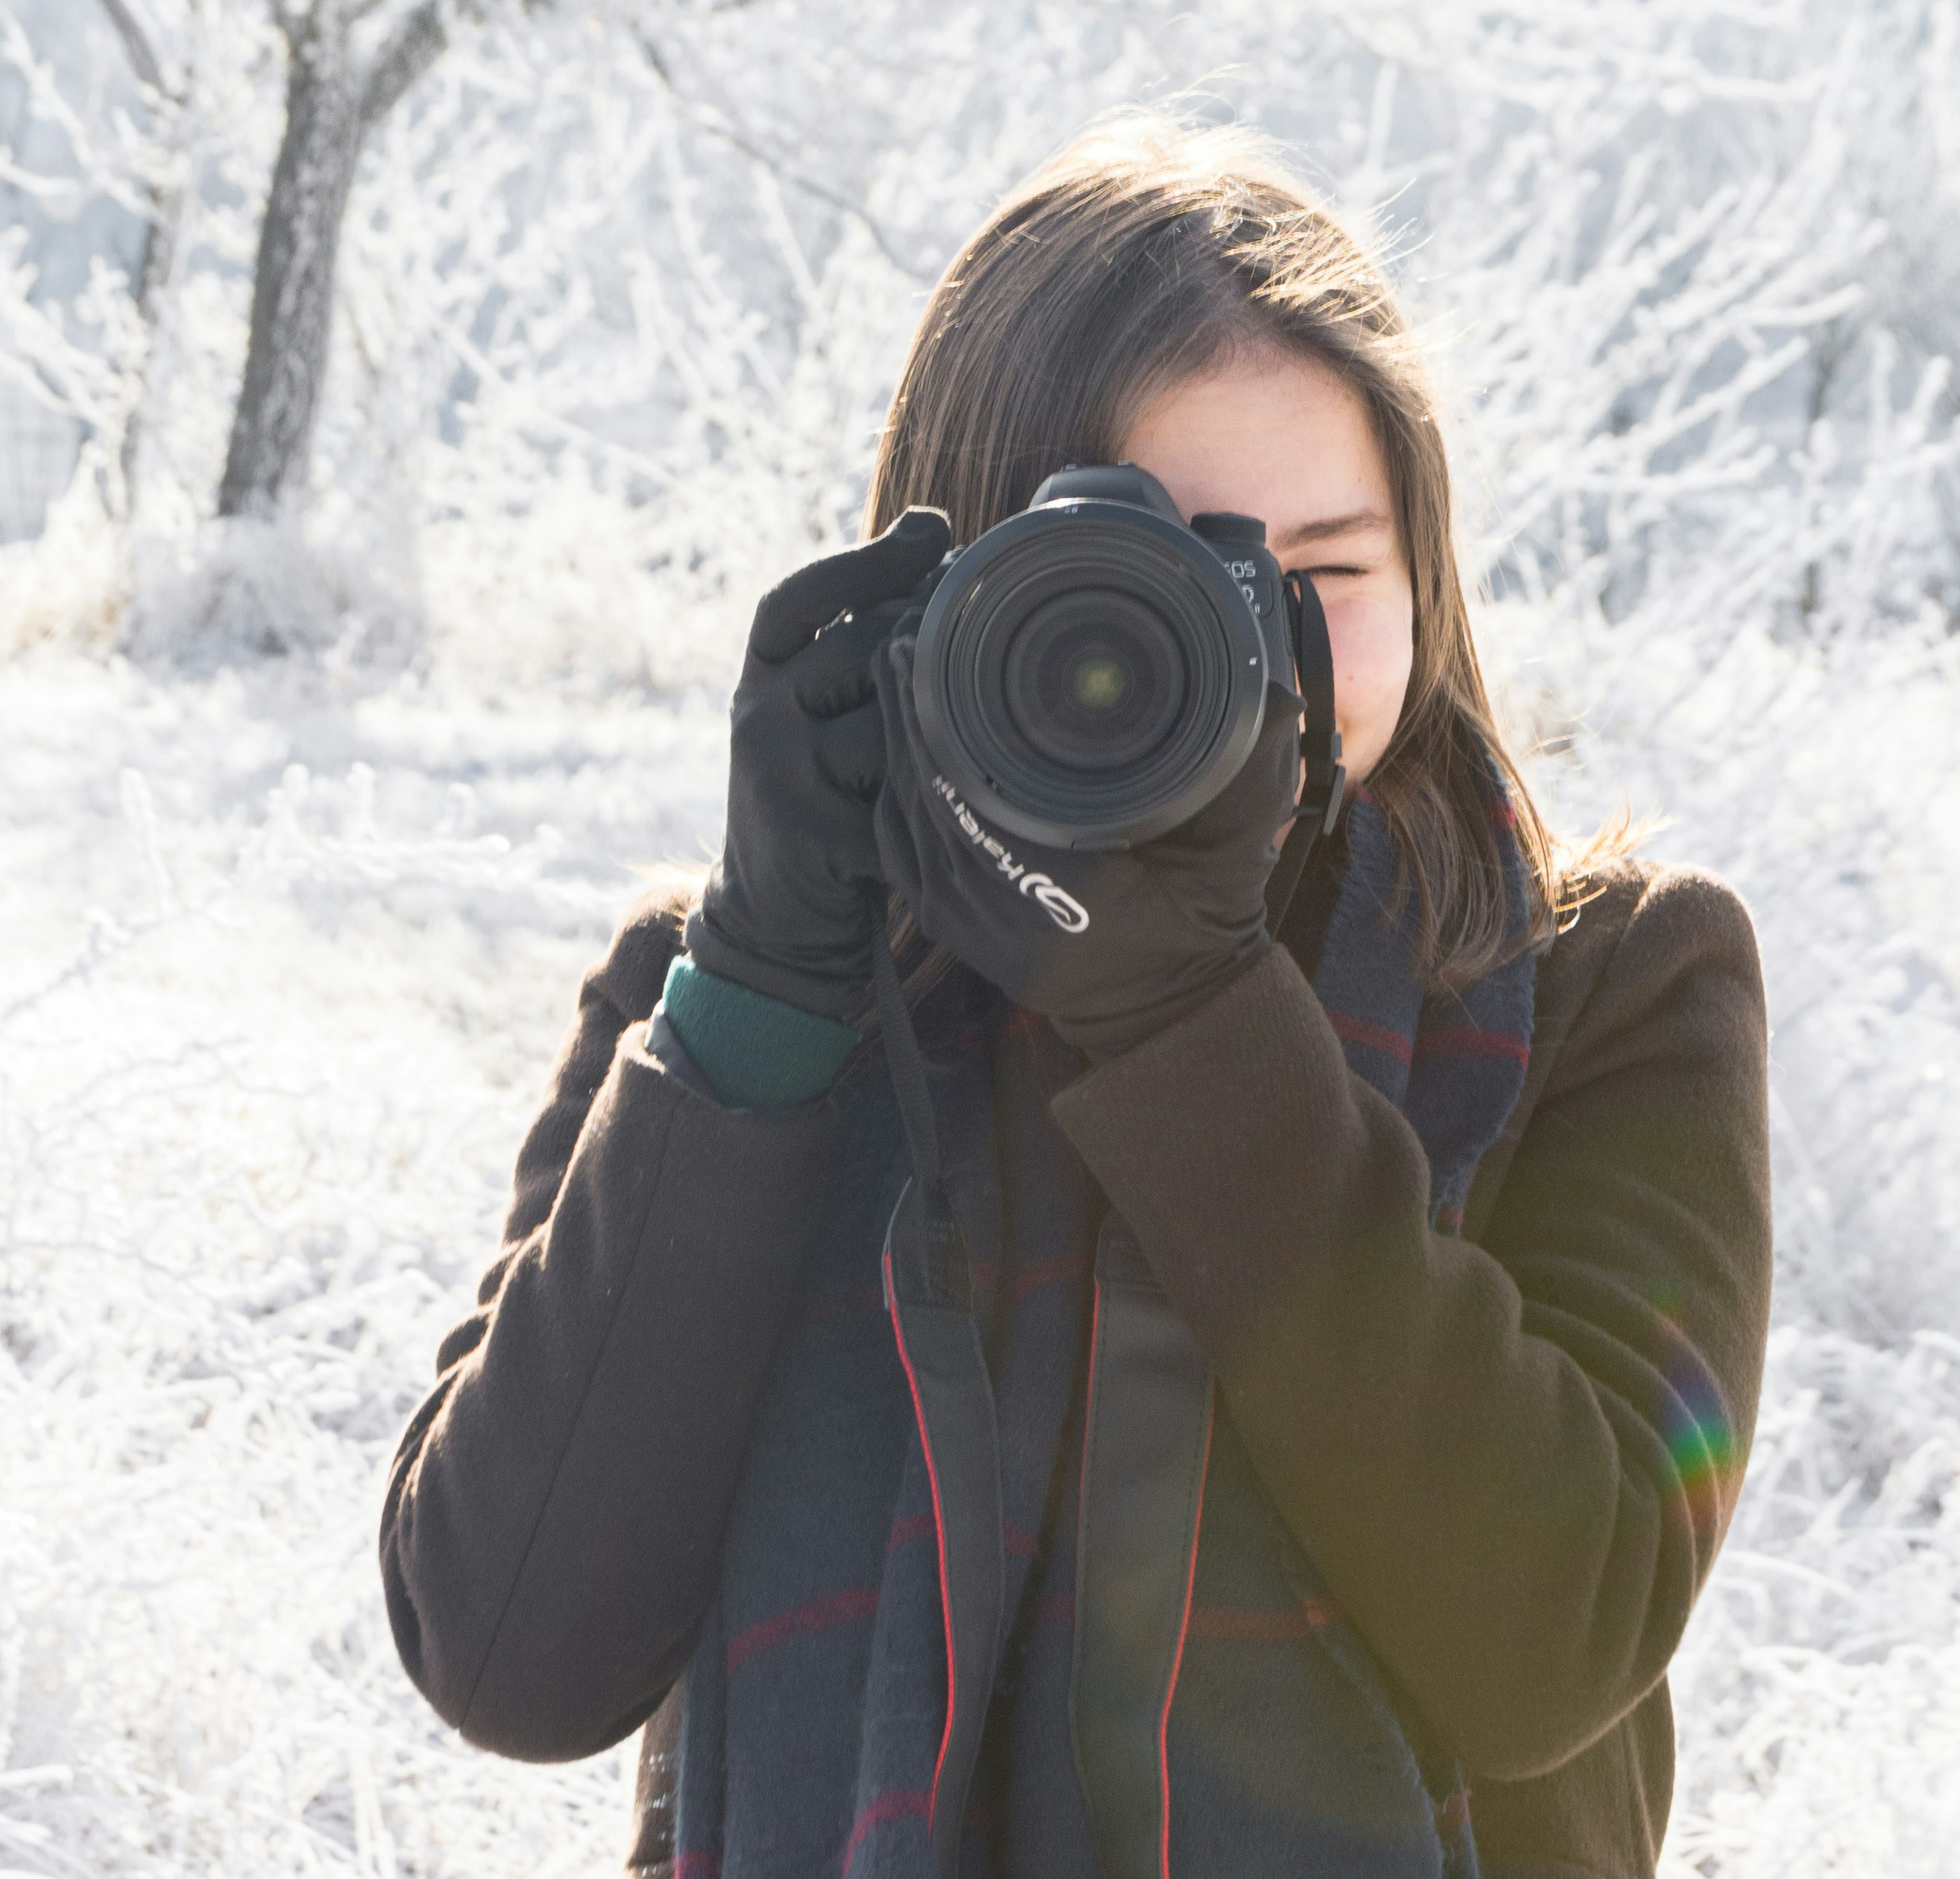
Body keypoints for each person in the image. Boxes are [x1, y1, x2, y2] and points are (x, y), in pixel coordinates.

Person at [381, 124, 1771, 1878]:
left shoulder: (1607, 984)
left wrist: (1189, 1014)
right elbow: (509, 1657)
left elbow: (1552, 1639)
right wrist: (757, 996)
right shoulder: (748, 992)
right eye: (1161, 594)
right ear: (957, 589)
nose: (1258, 656)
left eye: (1325, 575)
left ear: (1426, 582)